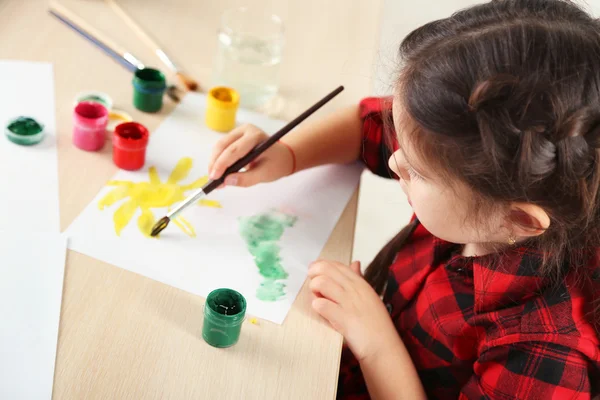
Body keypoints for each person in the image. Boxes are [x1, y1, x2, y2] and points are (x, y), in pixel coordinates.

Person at [207, 0, 600, 398]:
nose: (395, 161)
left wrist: (376, 345)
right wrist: (288, 154)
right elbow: (370, 126)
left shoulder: (546, 355)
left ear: (519, 220)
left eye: (419, 170)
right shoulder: (484, 184)